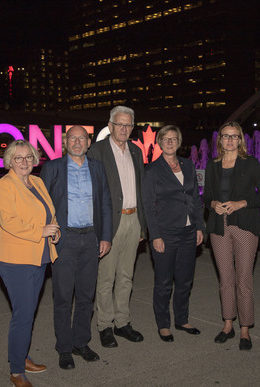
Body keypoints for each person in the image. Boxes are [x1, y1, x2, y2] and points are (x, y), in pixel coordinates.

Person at [40, 125, 113, 370]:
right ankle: (64, 348)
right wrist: (48, 230)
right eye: (73, 138)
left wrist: (106, 236)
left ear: (89, 142)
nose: (78, 142)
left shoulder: (97, 168)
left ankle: (81, 342)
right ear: (65, 142)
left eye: (82, 138)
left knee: (86, 295)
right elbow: (42, 204)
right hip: (65, 239)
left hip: (91, 237)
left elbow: (105, 202)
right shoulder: (52, 168)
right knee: (62, 297)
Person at [0, 140, 60, 387]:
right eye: (18, 158)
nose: (24, 162)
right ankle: (16, 371)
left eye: (28, 157)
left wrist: (55, 231)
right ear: (9, 161)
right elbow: (9, 221)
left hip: (38, 255)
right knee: (23, 314)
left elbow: (50, 214)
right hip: (14, 259)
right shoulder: (4, 185)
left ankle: (21, 356)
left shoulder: (38, 182)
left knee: (28, 312)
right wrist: (40, 230)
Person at [203, 122, 260, 350]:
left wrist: (242, 202)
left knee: (243, 280)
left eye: (234, 136)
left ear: (240, 140)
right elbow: (207, 196)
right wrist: (212, 203)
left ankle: (245, 329)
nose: (230, 140)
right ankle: (228, 325)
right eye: (225, 136)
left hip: (244, 225)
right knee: (225, 280)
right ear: (219, 140)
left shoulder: (250, 163)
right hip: (218, 226)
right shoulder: (212, 166)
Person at [86, 105, 147, 348]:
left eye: (128, 125)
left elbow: (140, 187)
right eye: (119, 124)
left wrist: (142, 224)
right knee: (106, 278)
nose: (123, 129)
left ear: (132, 128)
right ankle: (104, 325)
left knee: (126, 276)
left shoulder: (136, 151)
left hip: (133, 220)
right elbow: (91, 192)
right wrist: (98, 228)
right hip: (110, 221)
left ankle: (123, 323)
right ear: (110, 126)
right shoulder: (97, 151)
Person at [142, 125, 204, 343]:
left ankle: (182, 319)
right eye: (165, 139)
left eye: (173, 138)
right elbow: (148, 205)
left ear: (179, 141)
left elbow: (195, 198)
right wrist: (155, 235)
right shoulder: (152, 170)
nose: (170, 142)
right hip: (165, 232)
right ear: (159, 142)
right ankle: (163, 324)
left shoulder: (187, 165)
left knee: (185, 280)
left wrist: (199, 226)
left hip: (188, 231)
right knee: (164, 282)